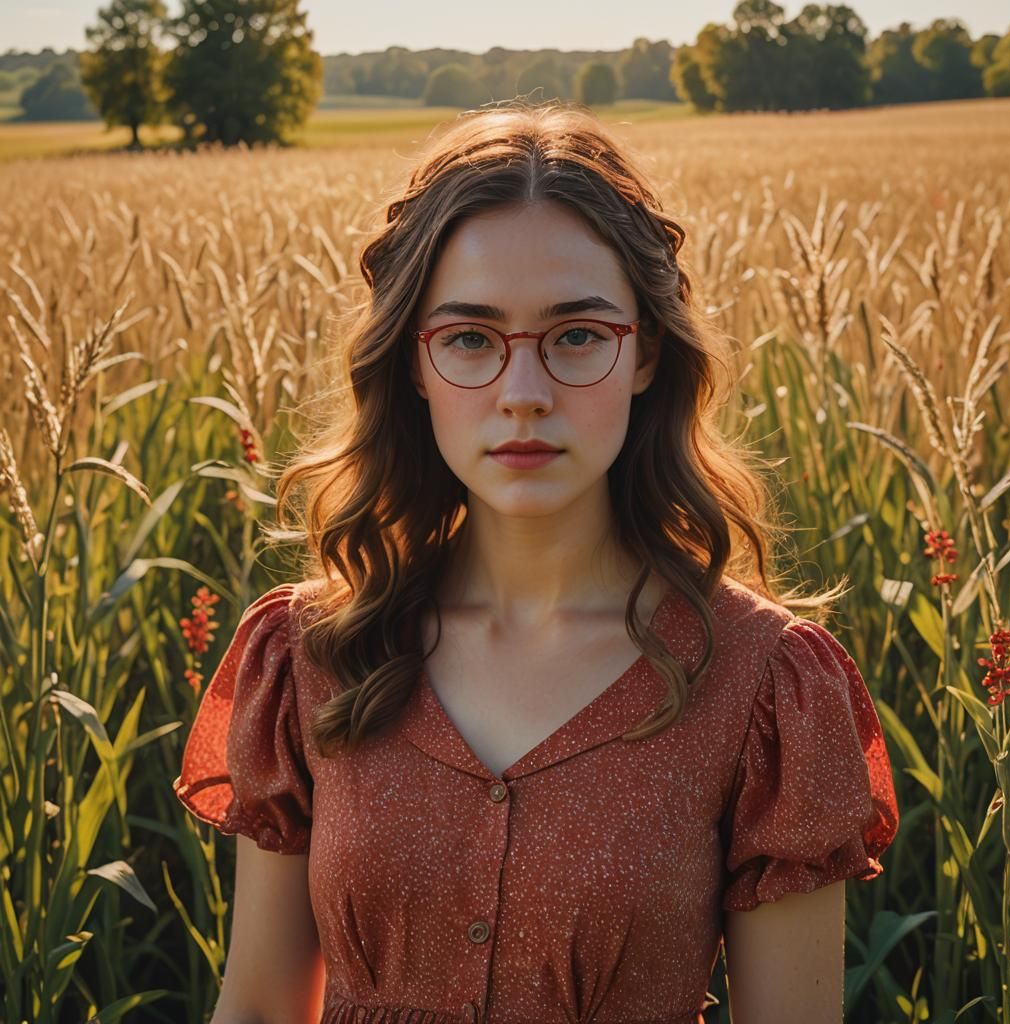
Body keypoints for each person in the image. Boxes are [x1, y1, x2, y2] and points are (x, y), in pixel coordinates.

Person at [172, 98, 899, 1024]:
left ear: (645, 355)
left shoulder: (764, 687)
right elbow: (262, 1011)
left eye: (578, 336)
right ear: (414, 364)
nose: (523, 394)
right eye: (471, 338)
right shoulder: (314, 653)